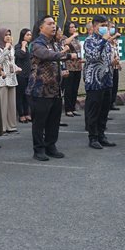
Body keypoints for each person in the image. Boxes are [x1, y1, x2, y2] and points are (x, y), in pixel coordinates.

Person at [27, 16, 74, 161]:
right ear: (41, 27)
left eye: (54, 24)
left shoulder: (54, 43)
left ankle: (50, 146)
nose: (54, 26)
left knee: (54, 121)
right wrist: (65, 55)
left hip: (55, 89)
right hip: (40, 90)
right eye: (50, 24)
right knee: (39, 122)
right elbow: (48, 55)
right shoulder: (36, 44)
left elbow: (56, 60)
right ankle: (38, 150)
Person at [82, 15, 116, 149]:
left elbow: (106, 59)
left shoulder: (107, 42)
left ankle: (102, 135)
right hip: (94, 81)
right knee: (94, 110)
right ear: (95, 26)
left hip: (106, 80)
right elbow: (94, 56)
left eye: (106, 25)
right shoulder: (89, 41)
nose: (105, 28)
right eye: (102, 25)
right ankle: (93, 137)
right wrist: (103, 40)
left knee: (104, 110)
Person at [0, 28, 19, 134]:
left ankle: (11, 126)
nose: (8, 36)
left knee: (11, 104)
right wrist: (6, 49)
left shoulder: (12, 48)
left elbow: (11, 62)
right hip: (2, 78)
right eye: (6, 35)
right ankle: (2, 127)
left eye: (9, 34)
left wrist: (16, 67)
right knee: (3, 104)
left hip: (12, 77)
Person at [61, 21, 82, 117]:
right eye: (71, 27)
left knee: (75, 88)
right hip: (69, 65)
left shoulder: (76, 39)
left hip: (77, 65)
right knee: (68, 88)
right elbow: (65, 42)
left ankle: (73, 107)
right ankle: (68, 108)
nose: (74, 29)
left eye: (74, 27)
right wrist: (73, 36)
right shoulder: (65, 37)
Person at [14, 28, 33, 123]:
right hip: (20, 74)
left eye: (30, 35)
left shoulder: (30, 46)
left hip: (28, 74)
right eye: (27, 35)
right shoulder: (18, 46)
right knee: (20, 95)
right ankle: (21, 114)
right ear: (23, 36)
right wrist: (23, 46)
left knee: (27, 95)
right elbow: (20, 55)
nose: (29, 37)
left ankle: (27, 113)